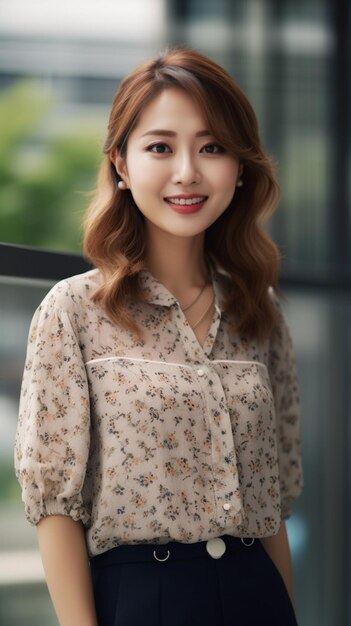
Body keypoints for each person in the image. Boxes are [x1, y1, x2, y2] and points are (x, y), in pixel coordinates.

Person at [15, 48, 303, 626]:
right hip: (143, 602)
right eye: (160, 147)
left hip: (257, 596)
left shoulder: (259, 312)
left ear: (240, 167)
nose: (188, 172)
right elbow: (55, 508)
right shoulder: (73, 311)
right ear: (121, 162)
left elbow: (271, 509)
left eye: (213, 147)